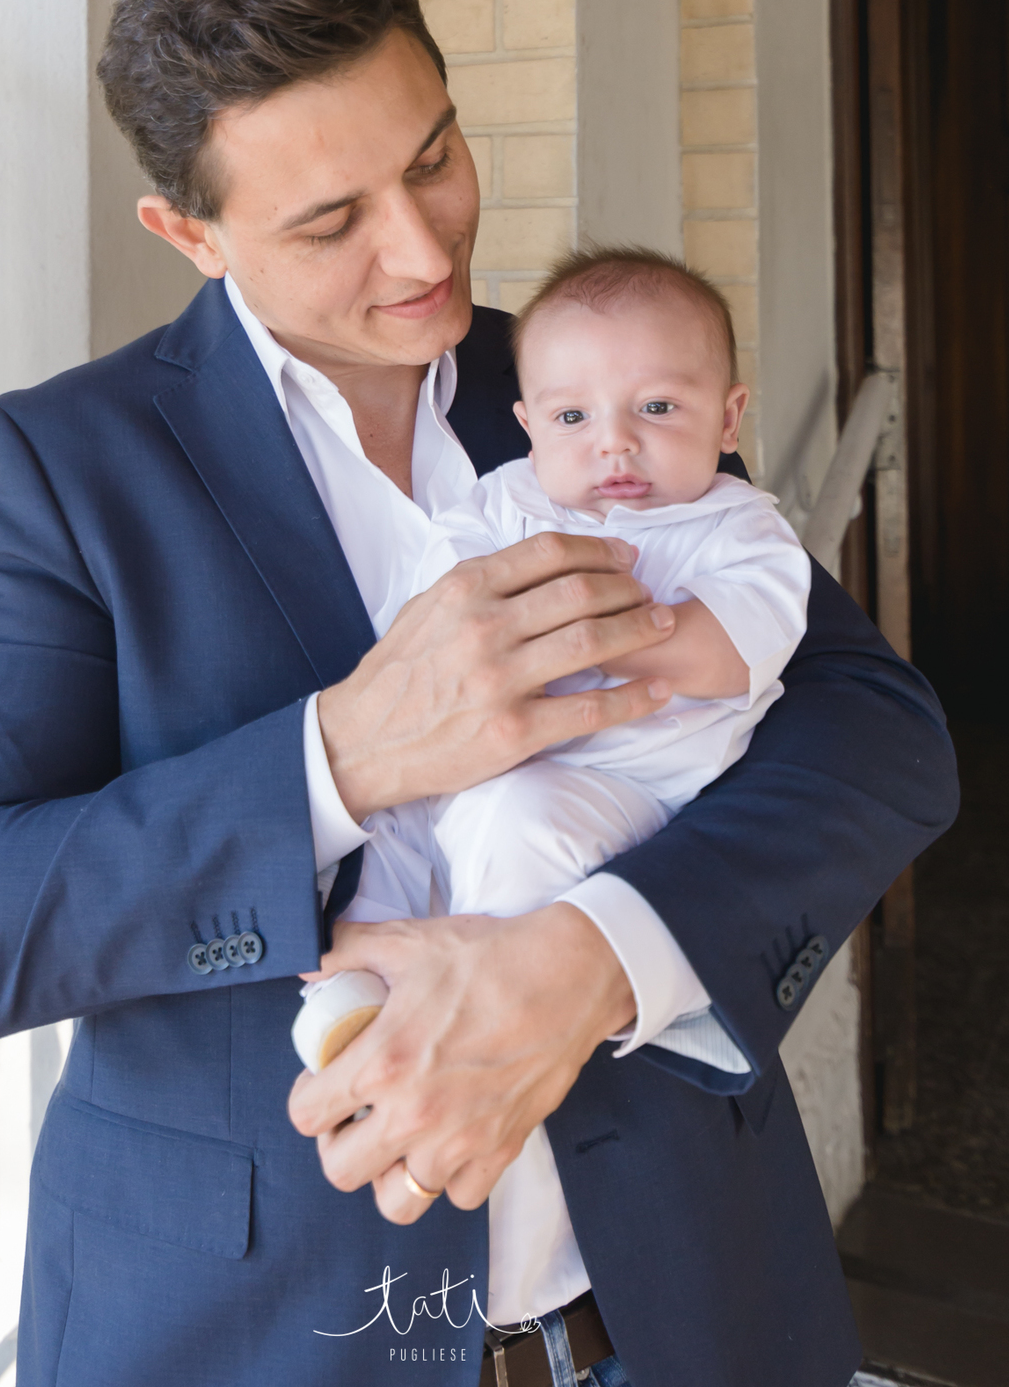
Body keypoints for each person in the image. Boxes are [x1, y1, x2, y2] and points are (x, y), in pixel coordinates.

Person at [0, 0, 958, 1387]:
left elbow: (881, 732)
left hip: (681, 1312)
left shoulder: (587, 380)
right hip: (257, 1344)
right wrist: (339, 758)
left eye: (435, 157)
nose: (422, 249)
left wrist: (599, 953)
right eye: (330, 221)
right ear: (189, 234)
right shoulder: (71, 467)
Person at [298, 243, 812, 1324]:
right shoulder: (505, 501)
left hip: (619, 788)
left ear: (730, 417)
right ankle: (367, 992)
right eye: (572, 418)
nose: (613, 443)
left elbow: (744, 643)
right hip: (471, 759)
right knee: (396, 836)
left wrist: (618, 633)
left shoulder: (737, 525)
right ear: (528, 423)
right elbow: (431, 607)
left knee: (517, 828)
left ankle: (520, 1244)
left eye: (658, 407)